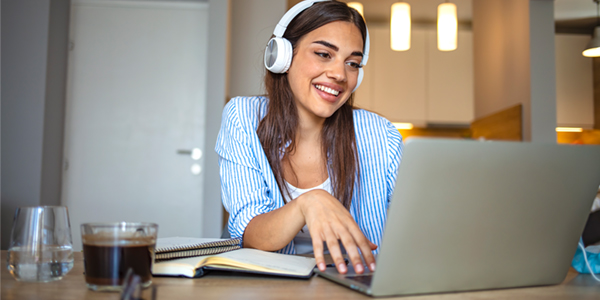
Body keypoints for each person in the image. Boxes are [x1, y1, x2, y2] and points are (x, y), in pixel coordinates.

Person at [216, 0, 403, 275]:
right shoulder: (243, 117)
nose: (340, 74)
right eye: (324, 54)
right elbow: (249, 231)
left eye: (352, 63)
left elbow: (414, 228)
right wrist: (308, 203)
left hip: (355, 285)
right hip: (268, 286)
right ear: (283, 56)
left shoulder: (381, 134)